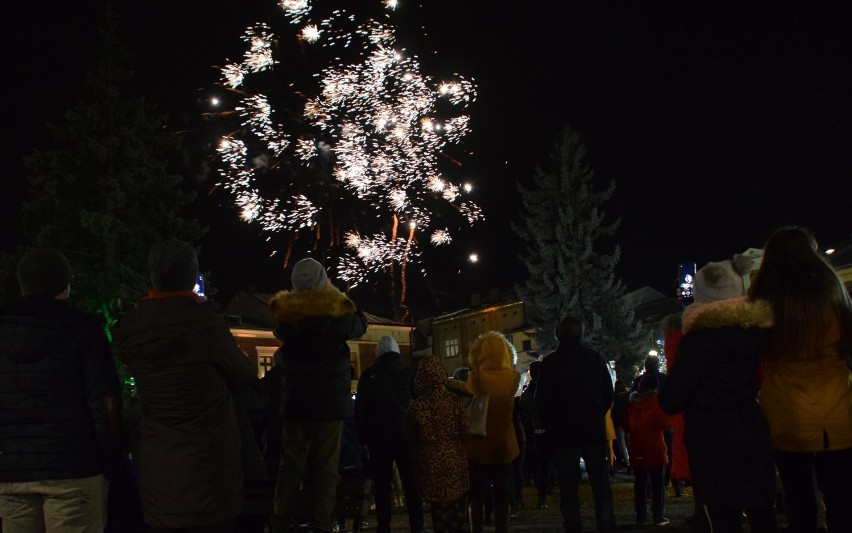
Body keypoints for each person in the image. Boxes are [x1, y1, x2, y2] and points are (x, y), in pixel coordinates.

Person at [114, 239, 258, 532]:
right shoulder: (204, 325)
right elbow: (244, 375)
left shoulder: (132, 331)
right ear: (192, 277)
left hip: (159, 474)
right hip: (210, 472)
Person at [0, 248, 121, 533]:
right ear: (66, 284)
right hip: (72, 468)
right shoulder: (83, 329)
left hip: (11, 470)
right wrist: (108, 457)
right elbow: (105, 404)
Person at [659, 255, 778, 533]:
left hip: (711, 440)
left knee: (722, 519)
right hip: (752, 429)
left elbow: (671, 399)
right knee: (762, 514)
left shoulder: (696, 343)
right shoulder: (759, 334)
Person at [748, 226, 852, 532]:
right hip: (838, 408)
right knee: (842, 502)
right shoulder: (834, 294)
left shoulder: (762, 301)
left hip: (785, 412)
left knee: (799, 502)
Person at [269, 257, 368, 533]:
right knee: (326, 466)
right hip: (329, 402)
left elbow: (278, 330)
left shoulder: (285, 315)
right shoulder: (337, 313)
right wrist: (334, 292)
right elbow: (361, 323)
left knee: (290, 463)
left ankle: (281, 519)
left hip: (296, 399)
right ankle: (322, 522)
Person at [535, 315, 615, 533]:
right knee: (600, 484)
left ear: (557, 334)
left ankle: (573, 526)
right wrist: (596, 413)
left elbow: (542, 401)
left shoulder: (550, 363)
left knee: (568, 488)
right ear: (582, 333)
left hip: (564, 434)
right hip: (592, 430)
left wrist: (551, 424)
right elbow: (608, 393)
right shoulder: (595, 358)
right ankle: (606, 524)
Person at [355, 335, 424, 533]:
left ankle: (384, 527)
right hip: (406, 436)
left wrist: (364, 439)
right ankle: (417, 527)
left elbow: (361, 412)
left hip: (379, 439)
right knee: (411, 485)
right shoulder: (409, 374)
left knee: (383, 486)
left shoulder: (369, 377)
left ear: (378, 353)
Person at [464, 331, 521, 533]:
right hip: (504, 445)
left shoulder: (476, 377)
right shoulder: (514, 378)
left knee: (476, 495)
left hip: (478, 444)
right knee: (502, 495)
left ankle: (476, 529)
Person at [407, 356, 470, 533]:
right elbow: (466, 432)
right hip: (455, 462)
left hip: (431, 466)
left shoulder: (418, 406)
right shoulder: (454, 401)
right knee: (457, 512)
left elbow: (410, 436)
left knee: (439, 515)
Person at [626, 374, 673, 526]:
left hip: (637, 446)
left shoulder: (632, 404)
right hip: (655, 446)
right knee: (658, 483)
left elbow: (627, 424)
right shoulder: (656, 403)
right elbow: (665, 422)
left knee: (640, 483)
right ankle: (658, 515)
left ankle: (641, 516)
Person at [519, 360, 555, 510]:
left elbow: (523, 411)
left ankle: (541, 494)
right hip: (548, 432)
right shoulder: (548, 390)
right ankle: (546, 492)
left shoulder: (527, 394)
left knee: (537, 465)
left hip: (533, 433)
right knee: (547, 464)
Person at [611, 380, 630, 473]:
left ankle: (627, 463)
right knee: (629, 442)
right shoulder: (629, 395)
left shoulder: (616, 398)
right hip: (628, 421)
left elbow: (615, 412)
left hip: (619, 423)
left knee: (622, 444)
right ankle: (633, 461)